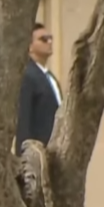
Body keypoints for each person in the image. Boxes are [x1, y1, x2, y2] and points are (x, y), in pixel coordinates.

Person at [15, 22, 62, 155]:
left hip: (56, 151)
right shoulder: (27, 76)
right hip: (38, 154)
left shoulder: (49, 76)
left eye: (50, 38)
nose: (49, 42)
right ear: (29, 46)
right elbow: (23, 120)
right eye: (43, 39)